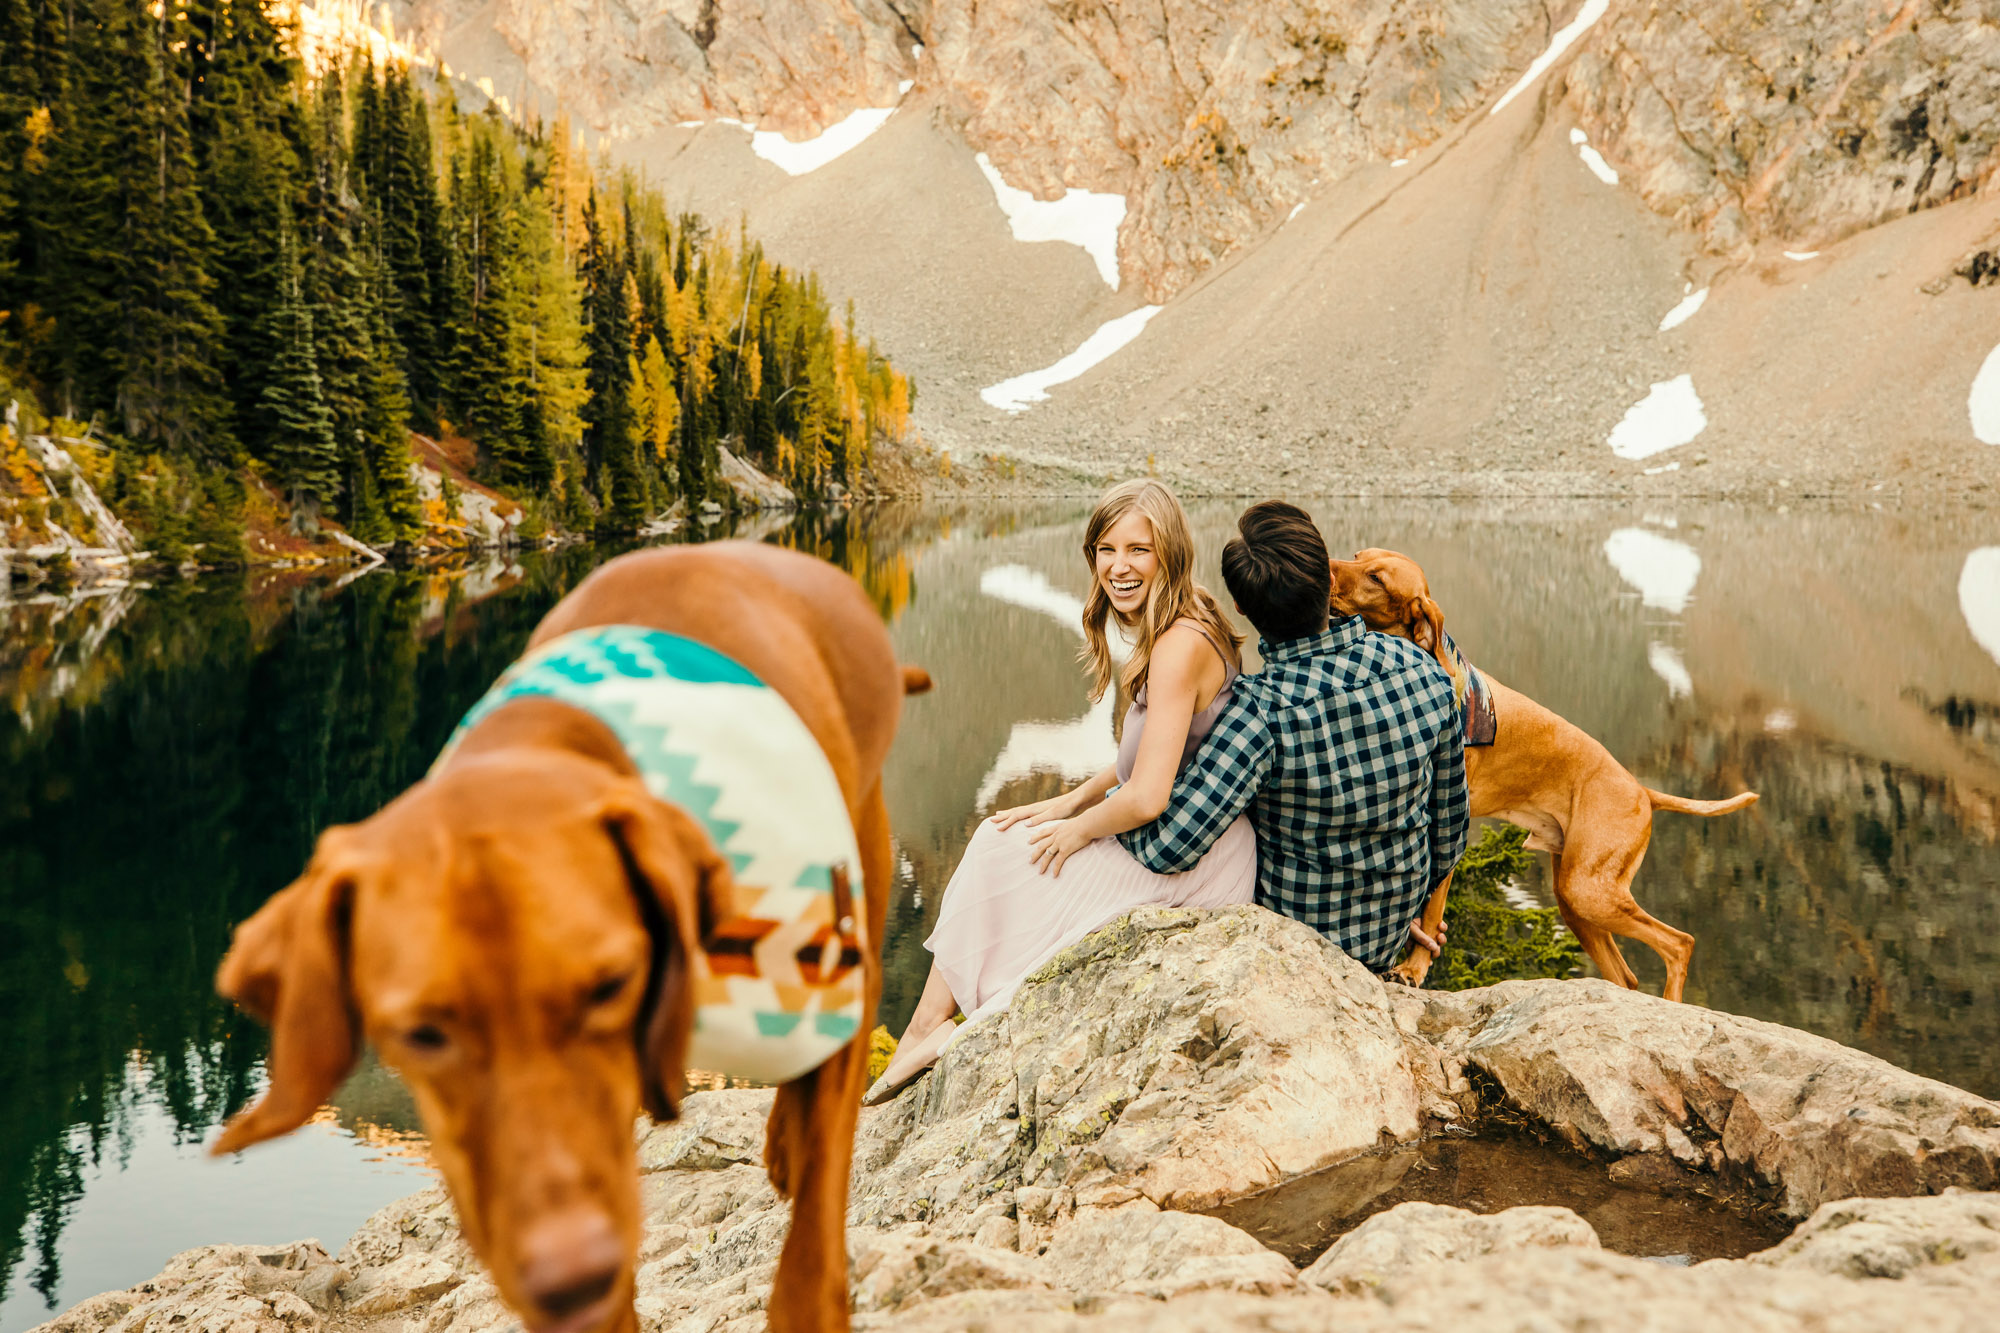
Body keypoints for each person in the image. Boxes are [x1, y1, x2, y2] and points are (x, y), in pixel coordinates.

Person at [864, 479, 1257, 1103]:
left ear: (1170, 554)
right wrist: (1073, 800)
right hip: (1185, 836)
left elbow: (1150, 793)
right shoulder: (1185, 617)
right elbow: (1155, 755)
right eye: (1105, 549)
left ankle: (935, 1029)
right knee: (1002, 837)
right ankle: (926, 1027)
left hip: (1192, 859)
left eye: (1138, 550)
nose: (1118, 567)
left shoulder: (1179, 645)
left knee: (1009, 852)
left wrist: (1077, 831)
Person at [1118, 500, 1469, 974]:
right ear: (1329, 583)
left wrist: (1118, 794)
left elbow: (1169, 847)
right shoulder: (1426, 672)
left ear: (1242, 608)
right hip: (1388, 939)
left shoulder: (1259, 712)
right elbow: (1448, 836)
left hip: (1296, 954)